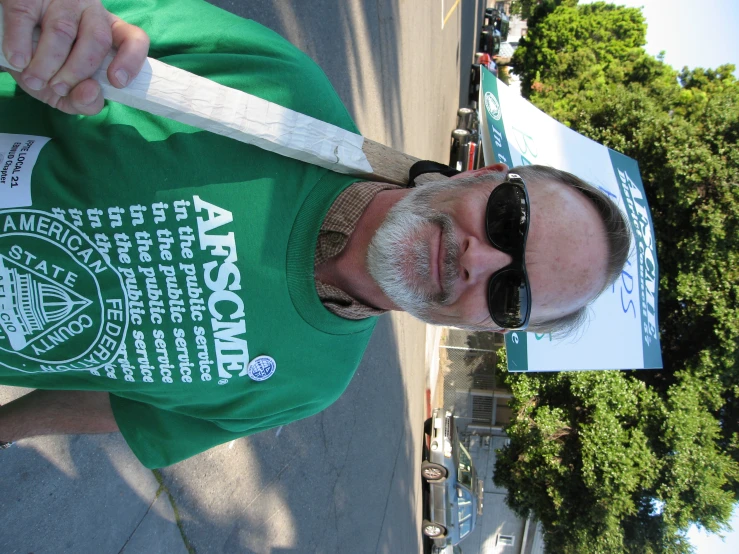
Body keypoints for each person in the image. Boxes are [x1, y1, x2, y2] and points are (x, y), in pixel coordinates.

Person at [0, 0, 630, 467]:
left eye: (511, 295)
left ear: (488, 328)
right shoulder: (275, 87)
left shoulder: (310, 385)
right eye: (509, 219)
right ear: (487, 173)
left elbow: (131, 410)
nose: (482, 258)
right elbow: (52, 19)